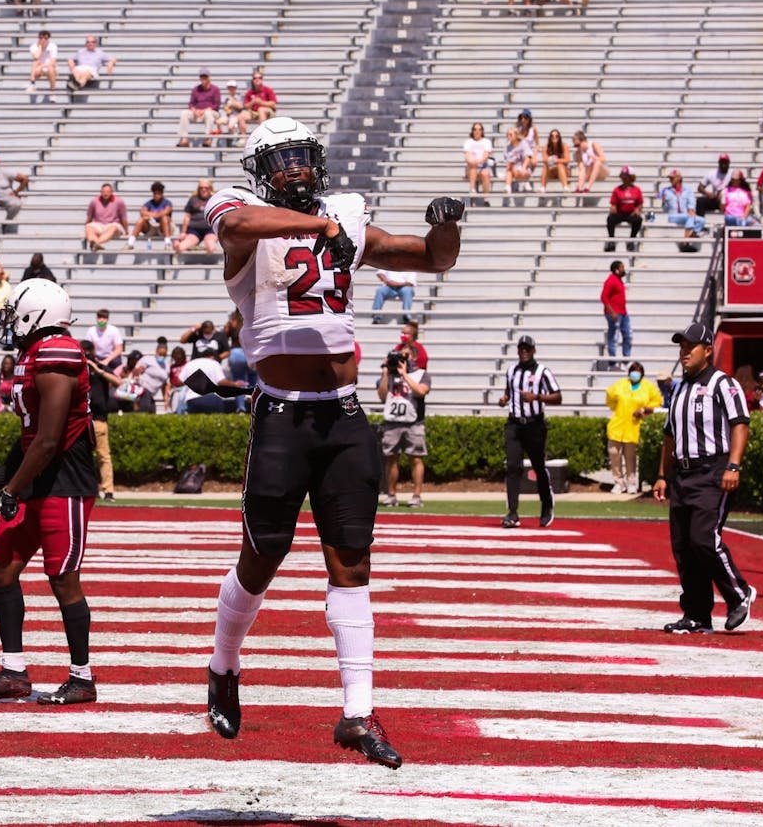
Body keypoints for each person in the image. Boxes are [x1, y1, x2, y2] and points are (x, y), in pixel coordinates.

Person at [200, 116, 463, 769]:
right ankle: (223, 664)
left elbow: (428, 259)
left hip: (343, 417)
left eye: (303, 156)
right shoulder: (240, 212)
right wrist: (319, 229)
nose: (295, 167)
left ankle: (357, 711)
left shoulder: (344, 213)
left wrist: (447, 226)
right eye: (280, 158)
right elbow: (234, 229)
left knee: (353, 562)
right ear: (259, 169)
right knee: (263, 556)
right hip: (283, 416)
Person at [0, 280, 100, 704]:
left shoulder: (58, 352)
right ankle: (13, 672)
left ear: (34, 314)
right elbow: (29, 438)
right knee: (2, 569)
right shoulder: (32, 355)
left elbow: (49, 439)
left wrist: (11, 491)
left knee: (63, 579)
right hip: (38, 478)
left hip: (65, 482)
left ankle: (82, 678)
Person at [652, 321, 755, 636]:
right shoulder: (679, 389)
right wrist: (661, 475)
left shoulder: (723, 384)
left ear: (708, 350)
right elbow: (669, 435)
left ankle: (739, 593)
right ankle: (696, 614)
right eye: (681, 348)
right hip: (683, 474)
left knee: (703, 539)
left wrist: (733, 466)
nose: (684, 354)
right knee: (683, 547)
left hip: (712, 470)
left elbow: (740, 424)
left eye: (690, 348)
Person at [498, 335, 561, 529]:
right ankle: (513, 512)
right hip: (514, 424)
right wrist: (504, 399)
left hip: (534, 424)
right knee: (513, 466)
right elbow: (509, 392)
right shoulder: (511, 371)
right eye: (521, 348)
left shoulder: (542, 371)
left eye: (527, 348)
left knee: (538, 467)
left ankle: (546, 503)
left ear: (534, 350)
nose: (524, 352)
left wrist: (537, 397)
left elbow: (558, 397)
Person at [376, 340, 430, 508]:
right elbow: (382, 396)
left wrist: (405, 375)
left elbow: (421, 392)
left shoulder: (421, 374)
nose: (401, 359)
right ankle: (391, 494)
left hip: (413, 422)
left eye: (404, 356)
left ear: (413, 357)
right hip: (392, 421)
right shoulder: (390, 375)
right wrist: (386, 372)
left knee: (416, 459)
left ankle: (416, 496)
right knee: (391, 459)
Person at [605, 362, 661, 494]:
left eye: (638, 371)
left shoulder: (648, 387)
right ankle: (618, 482)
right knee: (614, 454)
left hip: (635, 426)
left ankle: (631, 482)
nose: (635, 374)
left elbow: (656, 402)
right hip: (617, 425)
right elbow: (610, 398)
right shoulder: (620, 385)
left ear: (642, 374)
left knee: (630, 457)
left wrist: (642, 411)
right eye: (633, 371)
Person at [80, 340, 119, 499]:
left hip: (98, 419)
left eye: (89, 351)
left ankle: (108, 490)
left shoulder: (100, 367)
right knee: (83, 457)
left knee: (104, 456)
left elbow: (118, 382)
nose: (87, 354)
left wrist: (98, 370)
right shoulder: (76, 369)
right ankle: (88, 488)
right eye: (84, 351)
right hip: (81, 419)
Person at [659, 168, 706, 249]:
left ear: (679, 178)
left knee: (702, 220)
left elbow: (692, 201)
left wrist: (691, 209)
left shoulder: (687, 190)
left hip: (685, 215)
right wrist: (664, 203)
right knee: (690, 216)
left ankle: (693, 235)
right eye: (670, 178)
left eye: (672, 178)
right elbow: (665, 209)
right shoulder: (666, 191)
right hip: (673, 216)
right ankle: (685, 242)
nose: (670, 180)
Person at [174, 179, 220, 255]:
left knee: (210, 247)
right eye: (201, 188)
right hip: (194, 230)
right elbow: (187, 217)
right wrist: (183, 232)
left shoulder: (214, 199)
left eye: (206, 188)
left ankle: (202, 245)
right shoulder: (193, 199)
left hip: (210, 229)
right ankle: (185, 244)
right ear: (198, 189)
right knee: (181, 247)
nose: (203, 190)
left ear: (210, 188)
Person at [177, 69, 221, 147]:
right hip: (198, 112)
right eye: (202, 77)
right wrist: (194, 110)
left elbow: (216, 105)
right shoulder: (196, 89)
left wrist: (205, 110)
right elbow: (191, 103)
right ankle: (184, 139)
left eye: (205, 77)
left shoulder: (215, 89)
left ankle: (208, 138)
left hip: (210, 112)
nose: (203, 79)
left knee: (208, 113)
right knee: (184, 113)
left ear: (209, 78)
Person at [605, 166, 644, 252]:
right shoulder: (617, 189)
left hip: (631, 213)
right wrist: (613, 208)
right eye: (623, 176)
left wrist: (637, 209)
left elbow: (640, 203)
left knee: (638, 220)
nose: (624, 179)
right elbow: (613, 203)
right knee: (610, 219)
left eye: (626, 176)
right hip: (620, 212)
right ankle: (612, 240)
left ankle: (631, 240)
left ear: (631, 177)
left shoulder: (636, 190)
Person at [83, 183, 129, 251]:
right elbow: (89, 217)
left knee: (114, 228)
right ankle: (96, 244)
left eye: (108, 192)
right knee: (89, 228)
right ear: (100, 192)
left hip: (113, 224)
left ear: (111, 192)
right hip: (98, 224)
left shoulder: (119, 201)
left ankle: (96, 243)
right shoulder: (94, 201)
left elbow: (123, 218)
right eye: (103, 192)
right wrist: (86, 229)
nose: (105, 194)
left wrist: (126, 231)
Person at [601, 260, 630, 361]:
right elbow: (604, 297)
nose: (623, 269)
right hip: (615, 313)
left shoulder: (618, 280)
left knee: (628, 335)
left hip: (623, 312)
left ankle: (626, 361)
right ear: (616, 270)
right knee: (613, 337)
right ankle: (612, 362)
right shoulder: (611, 280)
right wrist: (612, 312)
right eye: (622, 267)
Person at [501, 127, 535, 195]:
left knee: (516, 172)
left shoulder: (523, 143)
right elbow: (509, 162)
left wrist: (523, 168)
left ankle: (524, 181)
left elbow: (528, 156)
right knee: (509, 171)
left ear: (516, 135)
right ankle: (508, 187)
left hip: (523, 168)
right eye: (507, 135)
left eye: (510, 134)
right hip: (513, 169)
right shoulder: (508, 147)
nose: (508, 136)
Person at [463, 123, 494, 197]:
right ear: (472, 131)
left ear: (482, 131)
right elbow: (467, 156)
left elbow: (486, 155)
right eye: (475, 129)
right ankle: (472, 189)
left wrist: (478, 162)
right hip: (471, 167)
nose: (477, 131)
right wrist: (473, 162)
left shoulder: (486, 142)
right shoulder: (468, 142)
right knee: (473, 167)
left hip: (482, 166)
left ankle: (486, 198)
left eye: (479, 129)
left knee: (485, 173)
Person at [695, 153, 730, 217]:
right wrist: (708, 193)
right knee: (700, 201)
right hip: (715, 199)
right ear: (719, 163)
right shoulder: (712, 173)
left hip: (728, 201)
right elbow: (700, 187)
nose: (723, 164)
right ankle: (700, 224)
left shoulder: (732, 174)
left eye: (725, 162)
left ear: (728, 163)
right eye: (722, 162)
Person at [539, 129, 569, 193]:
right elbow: (545, 159)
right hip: (551, 169)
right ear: (550, 137)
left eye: (556, 136)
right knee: (545, 165)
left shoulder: (564, 146)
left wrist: (556, 160)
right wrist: (553, 160)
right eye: (552, 136)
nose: (554, 137)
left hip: (563, 170)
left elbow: (567, 160)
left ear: (559, 137)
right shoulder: (546, 147)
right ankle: (543, 187)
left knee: (559, 165)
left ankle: (565, 187)